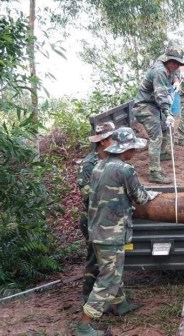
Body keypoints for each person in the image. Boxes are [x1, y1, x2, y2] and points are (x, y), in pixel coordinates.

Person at [76, 127, 161, 336]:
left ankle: (120, 304)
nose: (135, 153)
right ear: (126, 149)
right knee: (109, 278)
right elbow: (140, 198)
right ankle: (84, 325)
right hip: (111, 234)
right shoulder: (125, 170)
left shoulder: (99, 166)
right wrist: (153, 194)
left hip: (97, 230)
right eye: (133, 148)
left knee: (111, 271)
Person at [133, 44, 184, 184]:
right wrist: (168, 113)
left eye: (178, 64)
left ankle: (162, 153)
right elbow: (161, 97)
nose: (176, 66)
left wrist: (176, 81)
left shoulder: (168, 66)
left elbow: (174, 74)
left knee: (166, 128)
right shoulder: (159, 71)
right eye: (175, 63)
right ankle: (154, 172)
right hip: (145, 106)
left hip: (154, 105)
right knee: (156, 135)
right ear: (168, 60)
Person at [77, 122, 116, 303]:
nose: (114, 141)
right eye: (111, 138)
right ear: (102, 141)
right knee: (94, 259)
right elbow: (85, 192)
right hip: (92, 218)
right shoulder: (89, 163)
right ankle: (88, 299)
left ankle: (112, 300)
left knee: (108, 260)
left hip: (106, 218)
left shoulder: (111, 158)